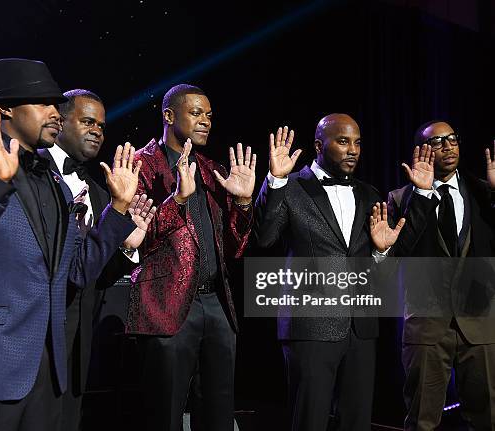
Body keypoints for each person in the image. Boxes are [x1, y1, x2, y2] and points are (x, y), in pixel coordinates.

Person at [0, 58, 141, 431]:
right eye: (44, 104)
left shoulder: (52, 181)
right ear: (5, 110)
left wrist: (117, 210)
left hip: (46, 373)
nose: (55, 113)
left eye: (56, 104)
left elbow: (78, 270)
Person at [253, 114, 405, 431]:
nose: (353, 150)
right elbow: (264, 237)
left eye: (358, 143)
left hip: (361, 329)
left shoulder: (371, 195)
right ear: (320, 146)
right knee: (310, 420)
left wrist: (381, 252)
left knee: (358, 421)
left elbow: (380, 279)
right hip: (310, 327)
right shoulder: (293, 187)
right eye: (343, 141)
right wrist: (276, 182)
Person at [128, 84, 256, 430]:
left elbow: (236, 247)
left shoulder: (211, 168)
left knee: (217, 414)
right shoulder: (140, 164)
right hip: (165, 305)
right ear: (169, 116)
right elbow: (137, 239)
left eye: (210, 116)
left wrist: (244, 204)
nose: (206, 122)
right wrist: (178, 200)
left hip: (216, 304)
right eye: (197, 113)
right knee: (164, 414)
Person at [45, 88, 155, 430]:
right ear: (59, 121)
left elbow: (94, 272)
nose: (97, 131)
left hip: (78, 346)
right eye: (87, 121)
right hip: (35, 341)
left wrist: (126, 248)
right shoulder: (31, 171)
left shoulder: (99, 191)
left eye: (102, 126)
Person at [387, 121, 495, 430]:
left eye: (452, 139)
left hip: (480, 323)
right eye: (437, 142)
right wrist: (421, 196)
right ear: (421, 151)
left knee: (487, 416)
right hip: (426, 326)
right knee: (422, 419)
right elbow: (396, 255)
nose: (447, 146)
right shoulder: (400, 199)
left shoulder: (483, 191)